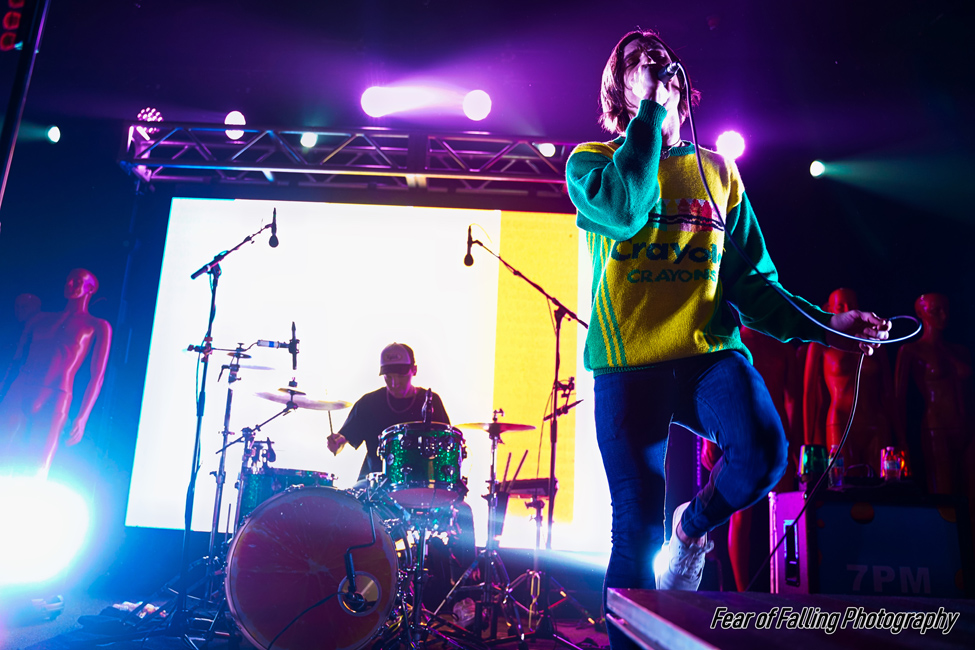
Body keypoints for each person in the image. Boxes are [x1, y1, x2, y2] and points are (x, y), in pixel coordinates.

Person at [565, 29, 889, 646]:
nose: (655, 66)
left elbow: (755, 285)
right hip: (630, 361)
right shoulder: (592, 164)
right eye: (639, 62)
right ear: (620, 87)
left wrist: (830, 327)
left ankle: (691, 530)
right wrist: (651, 119)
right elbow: (629, 209)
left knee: (765, 452)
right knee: (634, 526)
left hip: (707, 353)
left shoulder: (718, 173)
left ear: (685, 88)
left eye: (663, 62)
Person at [327, 342, 475, 608]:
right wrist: (336, 442)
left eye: (400, 374)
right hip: (376, 487)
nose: (394, 381)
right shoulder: (369, 403)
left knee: (464, 511)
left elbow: (445, 447)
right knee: (346, 513)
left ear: (414, 370)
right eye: (388, 376)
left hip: (421, 488)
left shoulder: (431, 402)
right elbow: (343, 441)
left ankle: (465, 597)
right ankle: (350, 588)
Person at [0, 269, 112, 478]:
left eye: (76, 281)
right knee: (3, 452)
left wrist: (83, 416)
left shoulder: (98, 326)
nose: (69, 284)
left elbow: (97, 375)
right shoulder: (39, 319)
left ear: (90, 289)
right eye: (68, 280)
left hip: (56, 394)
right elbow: (15, 360)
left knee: (37, 466)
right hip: (21, 387)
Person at [803, 288, 898, 476]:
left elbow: (889, 391)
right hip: (840, 420)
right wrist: (809, 443)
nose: (847, 309)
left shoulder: (874, 341)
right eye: (841, 306)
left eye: (852, 305)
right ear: (830, 308)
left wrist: (901, 437)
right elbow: (809, 395)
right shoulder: (819, 345)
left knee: (881, 487)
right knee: (843, 484)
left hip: (876, 420)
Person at [895, 293, 973, 496]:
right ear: (921, 313)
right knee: (943, 494)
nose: (944, 315)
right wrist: (901, 441)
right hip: (936, 429)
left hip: (967, 428)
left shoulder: (960, 351)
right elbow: (898, 398)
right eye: (935, 311)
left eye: (945, 310)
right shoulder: (911, 350)